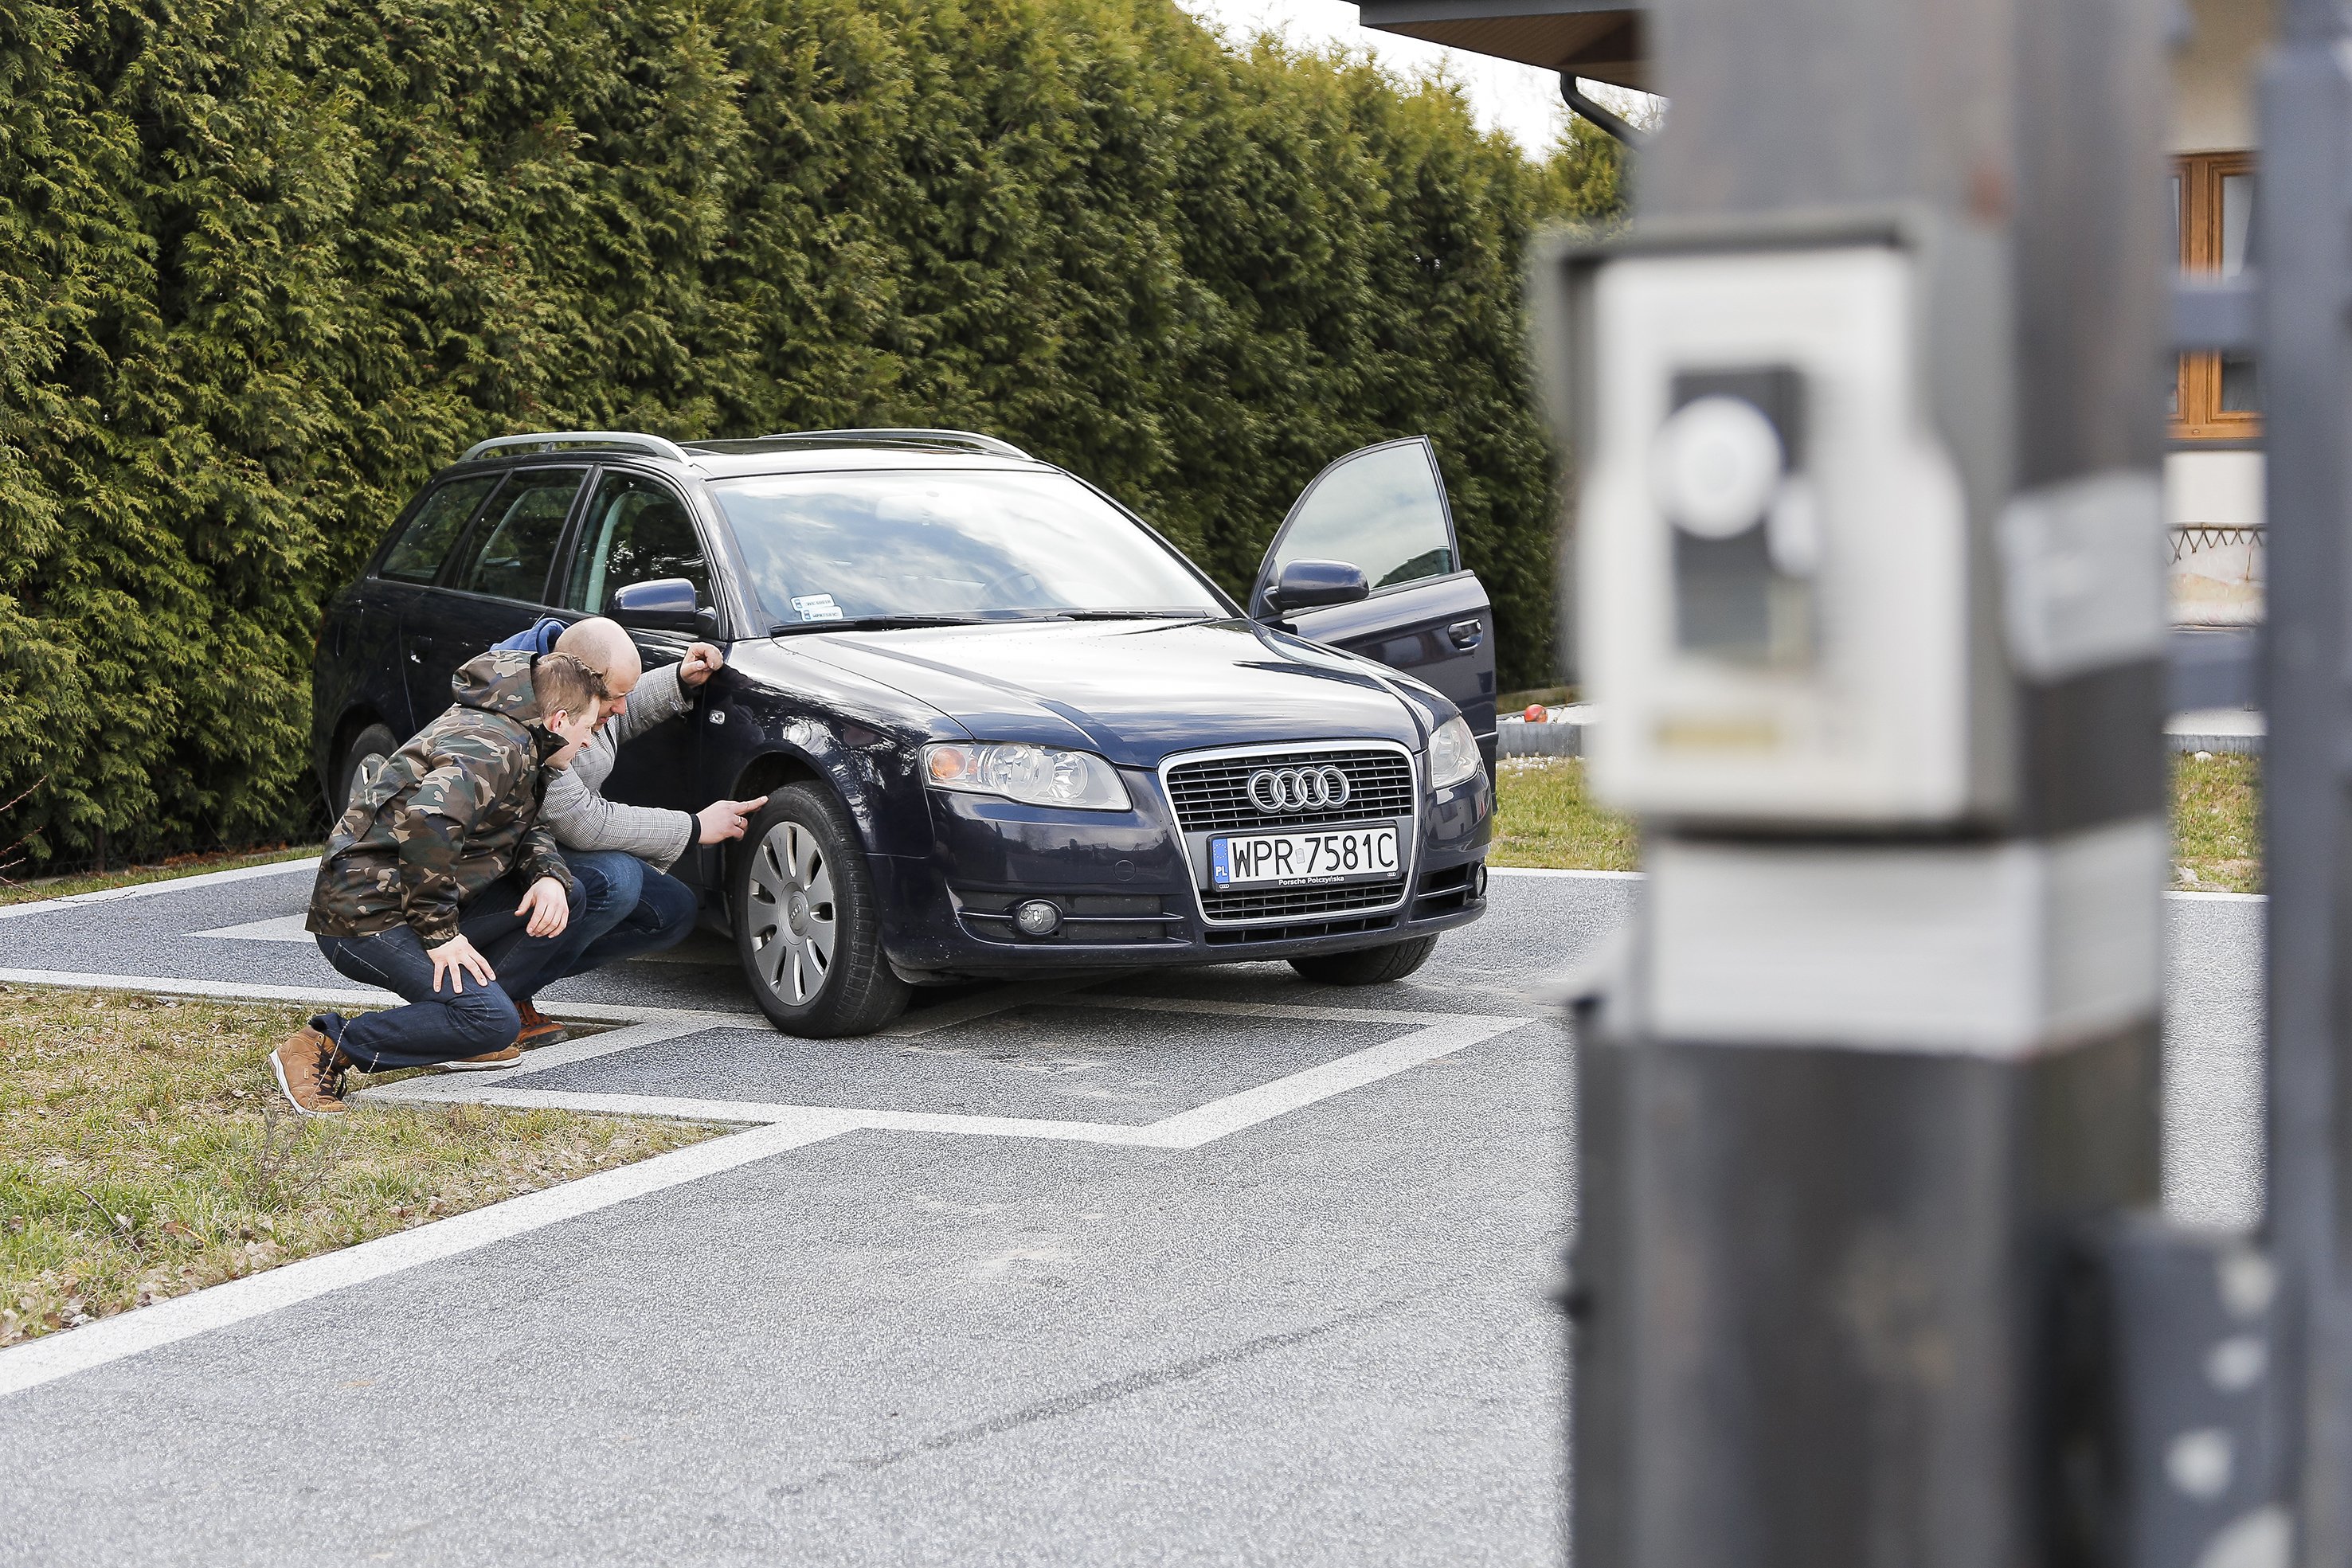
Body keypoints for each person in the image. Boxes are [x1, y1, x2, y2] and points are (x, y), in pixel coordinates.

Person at [268, 649, 604, 1116]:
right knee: (493, 1021)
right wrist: (441, 934)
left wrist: (547, 874)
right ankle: (325, 1047)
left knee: (569, 895)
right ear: (561, 719)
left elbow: (518, 826)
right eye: (589, 728)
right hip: (364, 915)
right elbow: (430, 819)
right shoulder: (496, 745)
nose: (590, 742)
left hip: (406, 901)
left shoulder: (517, 736)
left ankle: (463, 1026)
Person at [487, 616, 765, 1047]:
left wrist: (678, 677)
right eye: (613, 697)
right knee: (617, 880)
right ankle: (486, 1002)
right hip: (511, 859)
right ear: (577, 691)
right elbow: (585, 823)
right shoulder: (528, 717)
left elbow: (621, 710)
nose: (620, 708)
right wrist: (695, 826)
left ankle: (514, 984)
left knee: (670, 910)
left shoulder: (574, 685)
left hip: (549, 846)